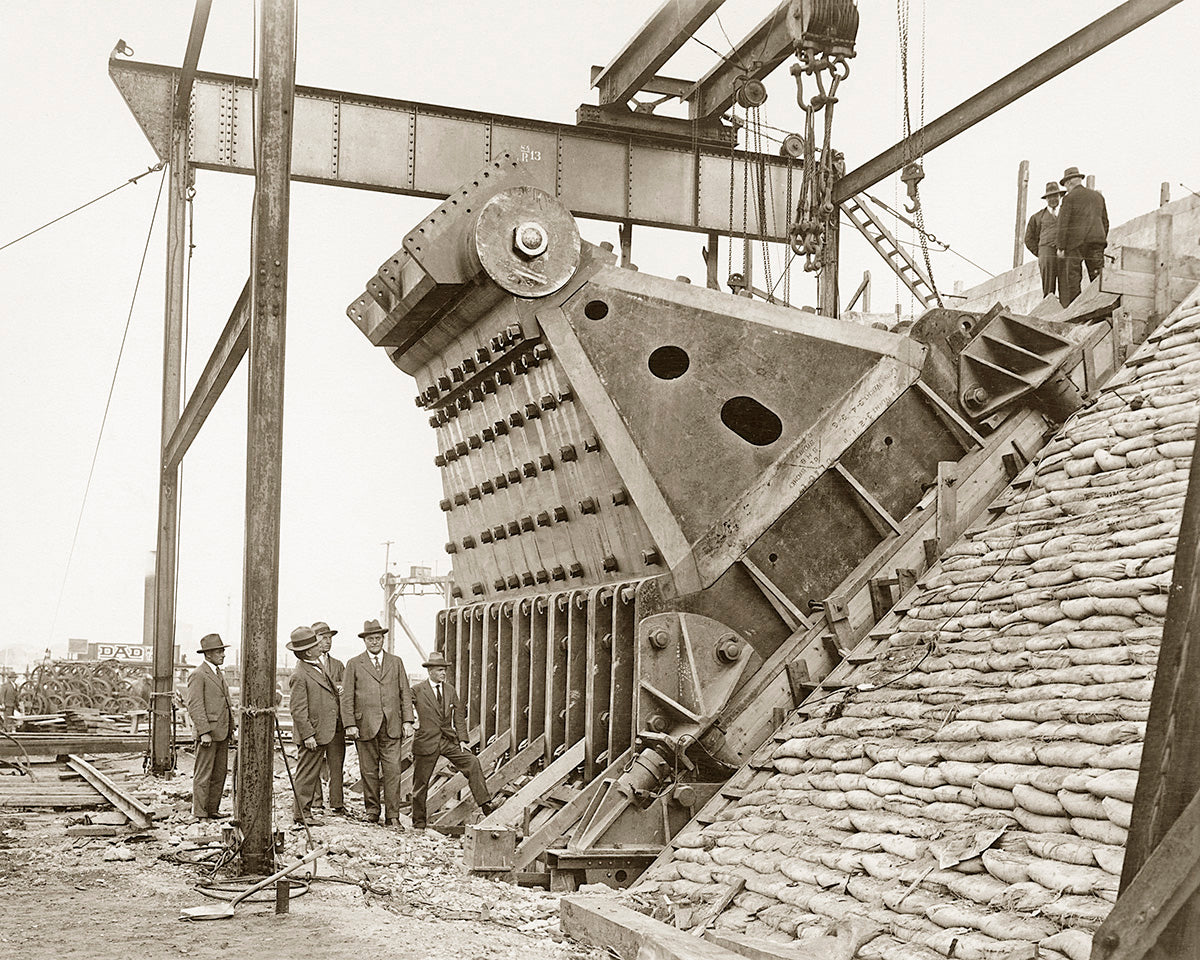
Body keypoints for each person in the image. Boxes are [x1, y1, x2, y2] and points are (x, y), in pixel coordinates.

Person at [410, 652, 495, 834]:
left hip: (447, 739)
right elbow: (404, 705)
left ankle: (486, 804)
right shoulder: (417, 690)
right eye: (440, 670)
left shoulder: (450, 690)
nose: (443, 673)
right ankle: (418, 823)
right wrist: (410, 721)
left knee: (472, 762)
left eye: (444, 670)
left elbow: (458, 717)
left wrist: (463, 740)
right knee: (421, 783)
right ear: (430, 671)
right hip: (425, 741)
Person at [339, 619, 414, 826]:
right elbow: (347, 698)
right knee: (369, 771)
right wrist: (349, 724)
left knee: (393, 772)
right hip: (365, 727)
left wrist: (408, 720)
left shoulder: (396, 662)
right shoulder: (354, 664)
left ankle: (393, 816)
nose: (374, 642)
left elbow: (404, 693)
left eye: (378, 638)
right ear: (365, 641)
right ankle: (372, 811)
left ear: (383, 639)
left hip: (392, 726)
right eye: (370, 639)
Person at [286, 625, 339, 826]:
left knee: (310, 773)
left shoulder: (315, 666)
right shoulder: (300, 674)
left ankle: (305, 812)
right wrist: (308, 735)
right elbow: (297, 710)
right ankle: (301, 814)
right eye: (316, 643)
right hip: (313, 734)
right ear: (308, 651)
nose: (320, 645)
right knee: (306, 775)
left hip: (321, 732)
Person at [185, 633, 235, 820]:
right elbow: (195, 705)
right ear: (208, 654)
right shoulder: (198, 675)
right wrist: (204, 732)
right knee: (203, 774)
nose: (223, 655)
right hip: (209, 734)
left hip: (221, 732)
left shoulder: (218, 673)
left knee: (219, 773)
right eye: (219, 651)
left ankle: (212, 809)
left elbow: (226, 702)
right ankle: (199, 812)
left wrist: (231, 727)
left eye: (222, 651)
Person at [1056, 165, 1109, 306]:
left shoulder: (1069, 198)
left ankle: (1076, 309)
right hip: (1097, 242)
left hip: (1075, 244)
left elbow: (1063, 224)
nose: (1066, 188)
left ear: (1069, 183)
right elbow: (1105, 222)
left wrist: (1061, 247)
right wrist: (1101, 239)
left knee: (1074, 278)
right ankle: (1102, 306)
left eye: (1066, 185)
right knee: (1098, 276)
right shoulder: (1098, 197)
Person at [310, 620, 346, 815]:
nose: (327, 642)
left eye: (329, 638)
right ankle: (315, 802)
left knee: (336, 763)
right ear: (313, 641)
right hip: (316, 724)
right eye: (323, 638)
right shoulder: (308, 665)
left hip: (335, 725)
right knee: (314, 763)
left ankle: (337, 803)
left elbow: (345, 691)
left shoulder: (338, 665)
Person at [1025, 180, 1065, 298]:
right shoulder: (1037, 217)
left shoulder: (1066, 213)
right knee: (1048, 290)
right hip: (1046, 255)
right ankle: (1048, 311)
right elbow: (1028, 239)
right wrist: (1041, 253)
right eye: (1050, 197)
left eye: (1055, 196)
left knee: (1066, 287)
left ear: (1059, 196)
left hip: (1064, 254)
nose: (1053, 199)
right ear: (1046, 199)